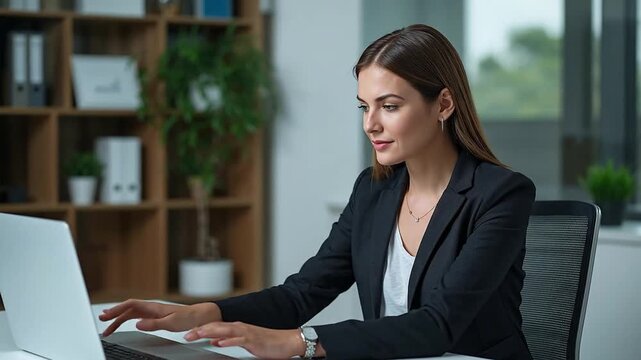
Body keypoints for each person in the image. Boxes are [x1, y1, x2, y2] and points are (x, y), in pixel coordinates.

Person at [100, 24, 536, 360]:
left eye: (390, 106)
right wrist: (205, 312)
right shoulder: (373, 192)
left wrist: (300, 343)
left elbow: (438, 325)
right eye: (365, 107)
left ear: (443, 104)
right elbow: (301, 294)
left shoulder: (501, 194)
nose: (371, 124)